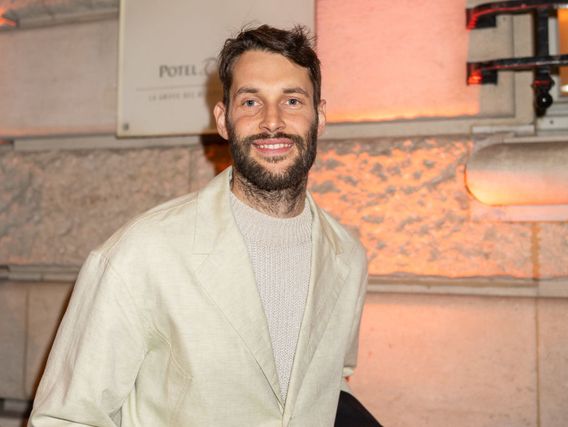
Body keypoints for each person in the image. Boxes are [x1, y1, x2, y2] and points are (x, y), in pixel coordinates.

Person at [29, 25, 369, 426]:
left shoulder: (348, 257)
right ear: (223, 120)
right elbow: (65, 418)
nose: (272, 122)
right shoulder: (143, 252)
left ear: (320, 116)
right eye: (250, 102)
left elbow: (332, 384)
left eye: (292, 100)